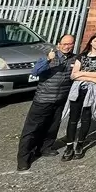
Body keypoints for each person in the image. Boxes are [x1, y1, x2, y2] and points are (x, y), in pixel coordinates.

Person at [17, 34, 77, 171]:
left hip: (60, 99)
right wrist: (47, 61)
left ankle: (45, 148)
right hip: (43, 99)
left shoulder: (75, 58)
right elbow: (35, 72)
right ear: (58, 45)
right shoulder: (49, 57)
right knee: (32, 129)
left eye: (70, 44)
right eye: (65, 44)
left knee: (52, 126)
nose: (67, 46)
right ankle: (23, 158)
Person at [61, 31, 96, 161]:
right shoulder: (81, 56)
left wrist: (81, 74)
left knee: (86, 118)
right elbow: (73, 75)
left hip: (92, 91)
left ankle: (80, 144)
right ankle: (69, 145)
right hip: (78, 89)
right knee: (73, 118)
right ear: (91, 41)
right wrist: (90, 76)